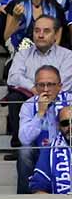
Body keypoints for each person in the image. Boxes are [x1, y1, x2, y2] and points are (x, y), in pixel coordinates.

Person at [5, 15, 72, 152]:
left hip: (60, 99)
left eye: (46, 31)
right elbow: (13, 77)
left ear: (55, 34)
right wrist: (33, 88)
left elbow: (65, 82)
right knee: (15, 98)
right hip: (30, 98)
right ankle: (20, 145)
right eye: (37, 31)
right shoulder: (23, 54)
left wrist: (46, 92)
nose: (40, 35)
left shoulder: (67, 55)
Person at [17, 65, 69, 193]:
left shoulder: (69, 101)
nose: (46, 89)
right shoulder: (29, 105)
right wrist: (40, 113)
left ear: (60, 86)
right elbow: (24, 139)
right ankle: (25, 197)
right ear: (35, 87)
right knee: (24, 151)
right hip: (40, 151)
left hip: (66, 151)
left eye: (50, 84)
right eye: (41, 85)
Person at [30, 103, 72, 194]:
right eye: (65, 123)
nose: (70, 127)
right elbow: (38, 188)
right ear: (58, 126)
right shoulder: (49, 150)